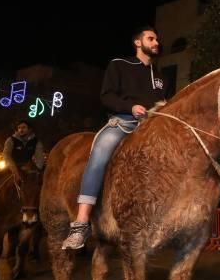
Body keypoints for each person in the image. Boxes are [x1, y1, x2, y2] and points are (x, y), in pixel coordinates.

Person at [61, 26, 167, 250]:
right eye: (151, 38)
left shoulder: (159, 77)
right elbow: (106, 96)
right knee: (100, 153)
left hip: (151, 128)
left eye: (156, 39)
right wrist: (131, 106)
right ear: (138, 43)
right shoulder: (119, 64)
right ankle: (81, 222)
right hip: (123, 123)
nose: (156, 42)